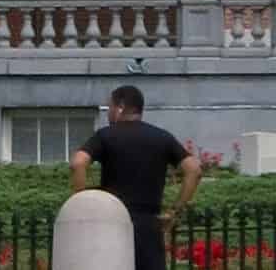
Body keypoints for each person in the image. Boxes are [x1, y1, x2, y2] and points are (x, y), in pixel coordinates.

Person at [71, 82, 202, 270]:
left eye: (110, 107)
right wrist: (175, 211)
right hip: (149, 225)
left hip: (112, 223)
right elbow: (194, 170)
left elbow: (78, 163)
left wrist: (84, 203)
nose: (108, 113)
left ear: (120, 108)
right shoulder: (162, 137)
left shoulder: (105, 135)